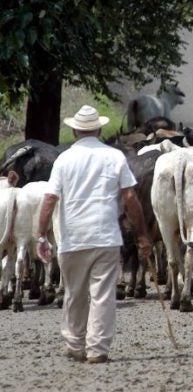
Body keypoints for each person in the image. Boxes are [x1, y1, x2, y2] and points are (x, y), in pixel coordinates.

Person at [35, 105, 152, 364]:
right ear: (98, 129)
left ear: (75, 130)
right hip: (106, 236)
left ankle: (74, 344)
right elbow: (130, 197)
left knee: (74, 293)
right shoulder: (114, 156)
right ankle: (97, 349)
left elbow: (50, 198)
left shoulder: (63, 159)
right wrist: (142, 234)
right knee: (102, 295)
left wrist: (41, 236)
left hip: (72, 237)